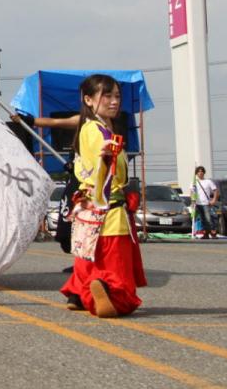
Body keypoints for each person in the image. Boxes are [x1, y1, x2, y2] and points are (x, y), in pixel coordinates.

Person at [60, 74, 146, 318]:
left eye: (117, 96)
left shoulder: (90, 128)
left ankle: (78, 294)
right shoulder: (98, 132)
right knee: (116, 268)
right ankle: (108, 293)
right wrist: (107, 158)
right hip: (109, 209)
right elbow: (106, 169)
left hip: (88, 209)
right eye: (106, 96)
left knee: (88, 259)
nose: (114, 101)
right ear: (88, 99)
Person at [190, 166, 219, 239]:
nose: (200, 173)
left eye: (202, 171)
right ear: (196, 173)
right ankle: (206, 233)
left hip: (206, 203)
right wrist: (192, 201)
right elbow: (191, 192)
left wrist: (214, 200)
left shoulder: (208, 181)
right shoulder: (194, 182)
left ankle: (213, 232)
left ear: (204, 173)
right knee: (202, 220)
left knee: (208, 219)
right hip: (197, 204)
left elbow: (215, 190)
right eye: (199, 171)